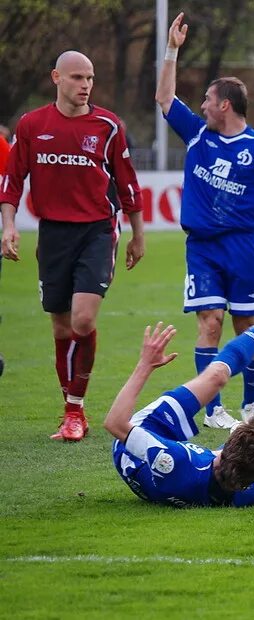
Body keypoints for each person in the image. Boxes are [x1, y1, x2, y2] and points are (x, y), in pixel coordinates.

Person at [156, 12, 254, 430]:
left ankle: (251, 407)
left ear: (224, 104)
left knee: (248, 328)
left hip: (242, 246)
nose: (201, 105)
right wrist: (171, 50)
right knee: (210, 322)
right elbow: (165, 99)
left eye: (207, 99)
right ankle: (213, 410)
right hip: (202, 247)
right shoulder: (197, 134)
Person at [0, 51, 145, 441]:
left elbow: (128, 183)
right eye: (78, 77)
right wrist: (8, 225)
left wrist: (137, 234)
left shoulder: (108, 125)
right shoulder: (31, 125)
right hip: (53, 234)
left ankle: (74, 409)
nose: (86, 85)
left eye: (90, 78)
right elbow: (12, 180)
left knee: (82, 320)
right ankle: (72, 410)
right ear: (56, 78)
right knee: (61, 325)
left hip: (98, 231)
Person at [104, 302, 254, 508]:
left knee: (216, 377)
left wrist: (145, 364)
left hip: (136, 442)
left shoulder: (178, 460)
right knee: (244, 453)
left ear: (228, 444)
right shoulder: (245, 494)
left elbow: (115, 424)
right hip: (182, 472)